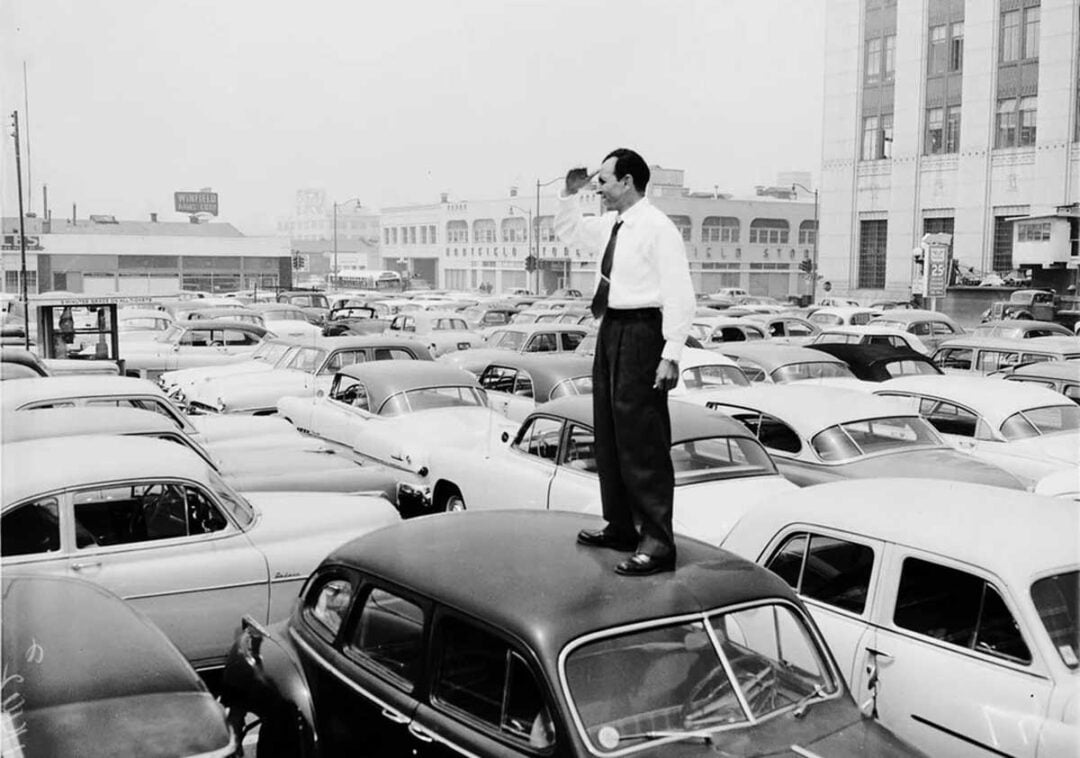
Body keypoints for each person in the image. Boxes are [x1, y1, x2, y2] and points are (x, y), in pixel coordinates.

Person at [554, 148, 695, 576]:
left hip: (642, 333)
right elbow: (569, 232)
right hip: (612, 329)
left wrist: (670, 354)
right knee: (611, 434)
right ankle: (620, 526)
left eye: (604, 180)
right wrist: (569, 193)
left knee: (643, 438)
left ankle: (657, 541)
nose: (599, 188)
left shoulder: (658, 228)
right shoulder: (612, 225)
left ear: (628, 181)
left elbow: (679, 295)